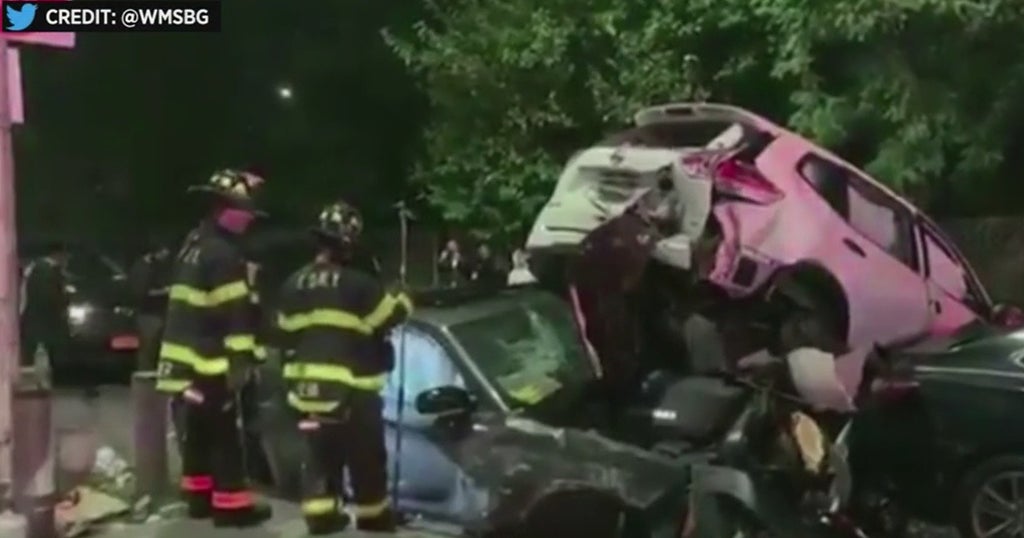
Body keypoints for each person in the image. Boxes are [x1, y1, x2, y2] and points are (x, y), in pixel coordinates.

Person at [276, 199, 412, 534]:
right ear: (348, 244)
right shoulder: (358, 284)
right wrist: (403, 297)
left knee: (319, 456)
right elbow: (389, 317)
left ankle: (320, 516)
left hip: (305, 392)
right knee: (366, 458)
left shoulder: (292, 284)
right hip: (352, 390)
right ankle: (373, 517)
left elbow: (284, 332)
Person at [154, 168, 272, 528]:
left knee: (199, 433)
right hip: (211, 362)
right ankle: (231, 506)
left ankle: (198, 497)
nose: (249, 220)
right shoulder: (223, 254)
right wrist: (241, 361)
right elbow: (234, 314)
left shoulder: (193, 245)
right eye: (245, 212)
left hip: (183, 363)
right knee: (225, 435)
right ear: (226, 209)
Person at [19, 242, 71, 372]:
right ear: (58, 255)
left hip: (37, 317)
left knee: (37, 348)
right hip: (43, 318)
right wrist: (64, 300)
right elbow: (48, 295)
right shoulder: (45, 270)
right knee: (42, 348)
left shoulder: (38, 268)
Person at [127, 243, 172, 372]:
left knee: (153, 348)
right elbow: (141, 292)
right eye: (163, 252)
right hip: (148, 314)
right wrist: (165, 291)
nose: (166, 255)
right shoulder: (141, 268)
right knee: (147, 347)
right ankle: (144, 375)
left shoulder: (154, 267)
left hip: (157, 313)